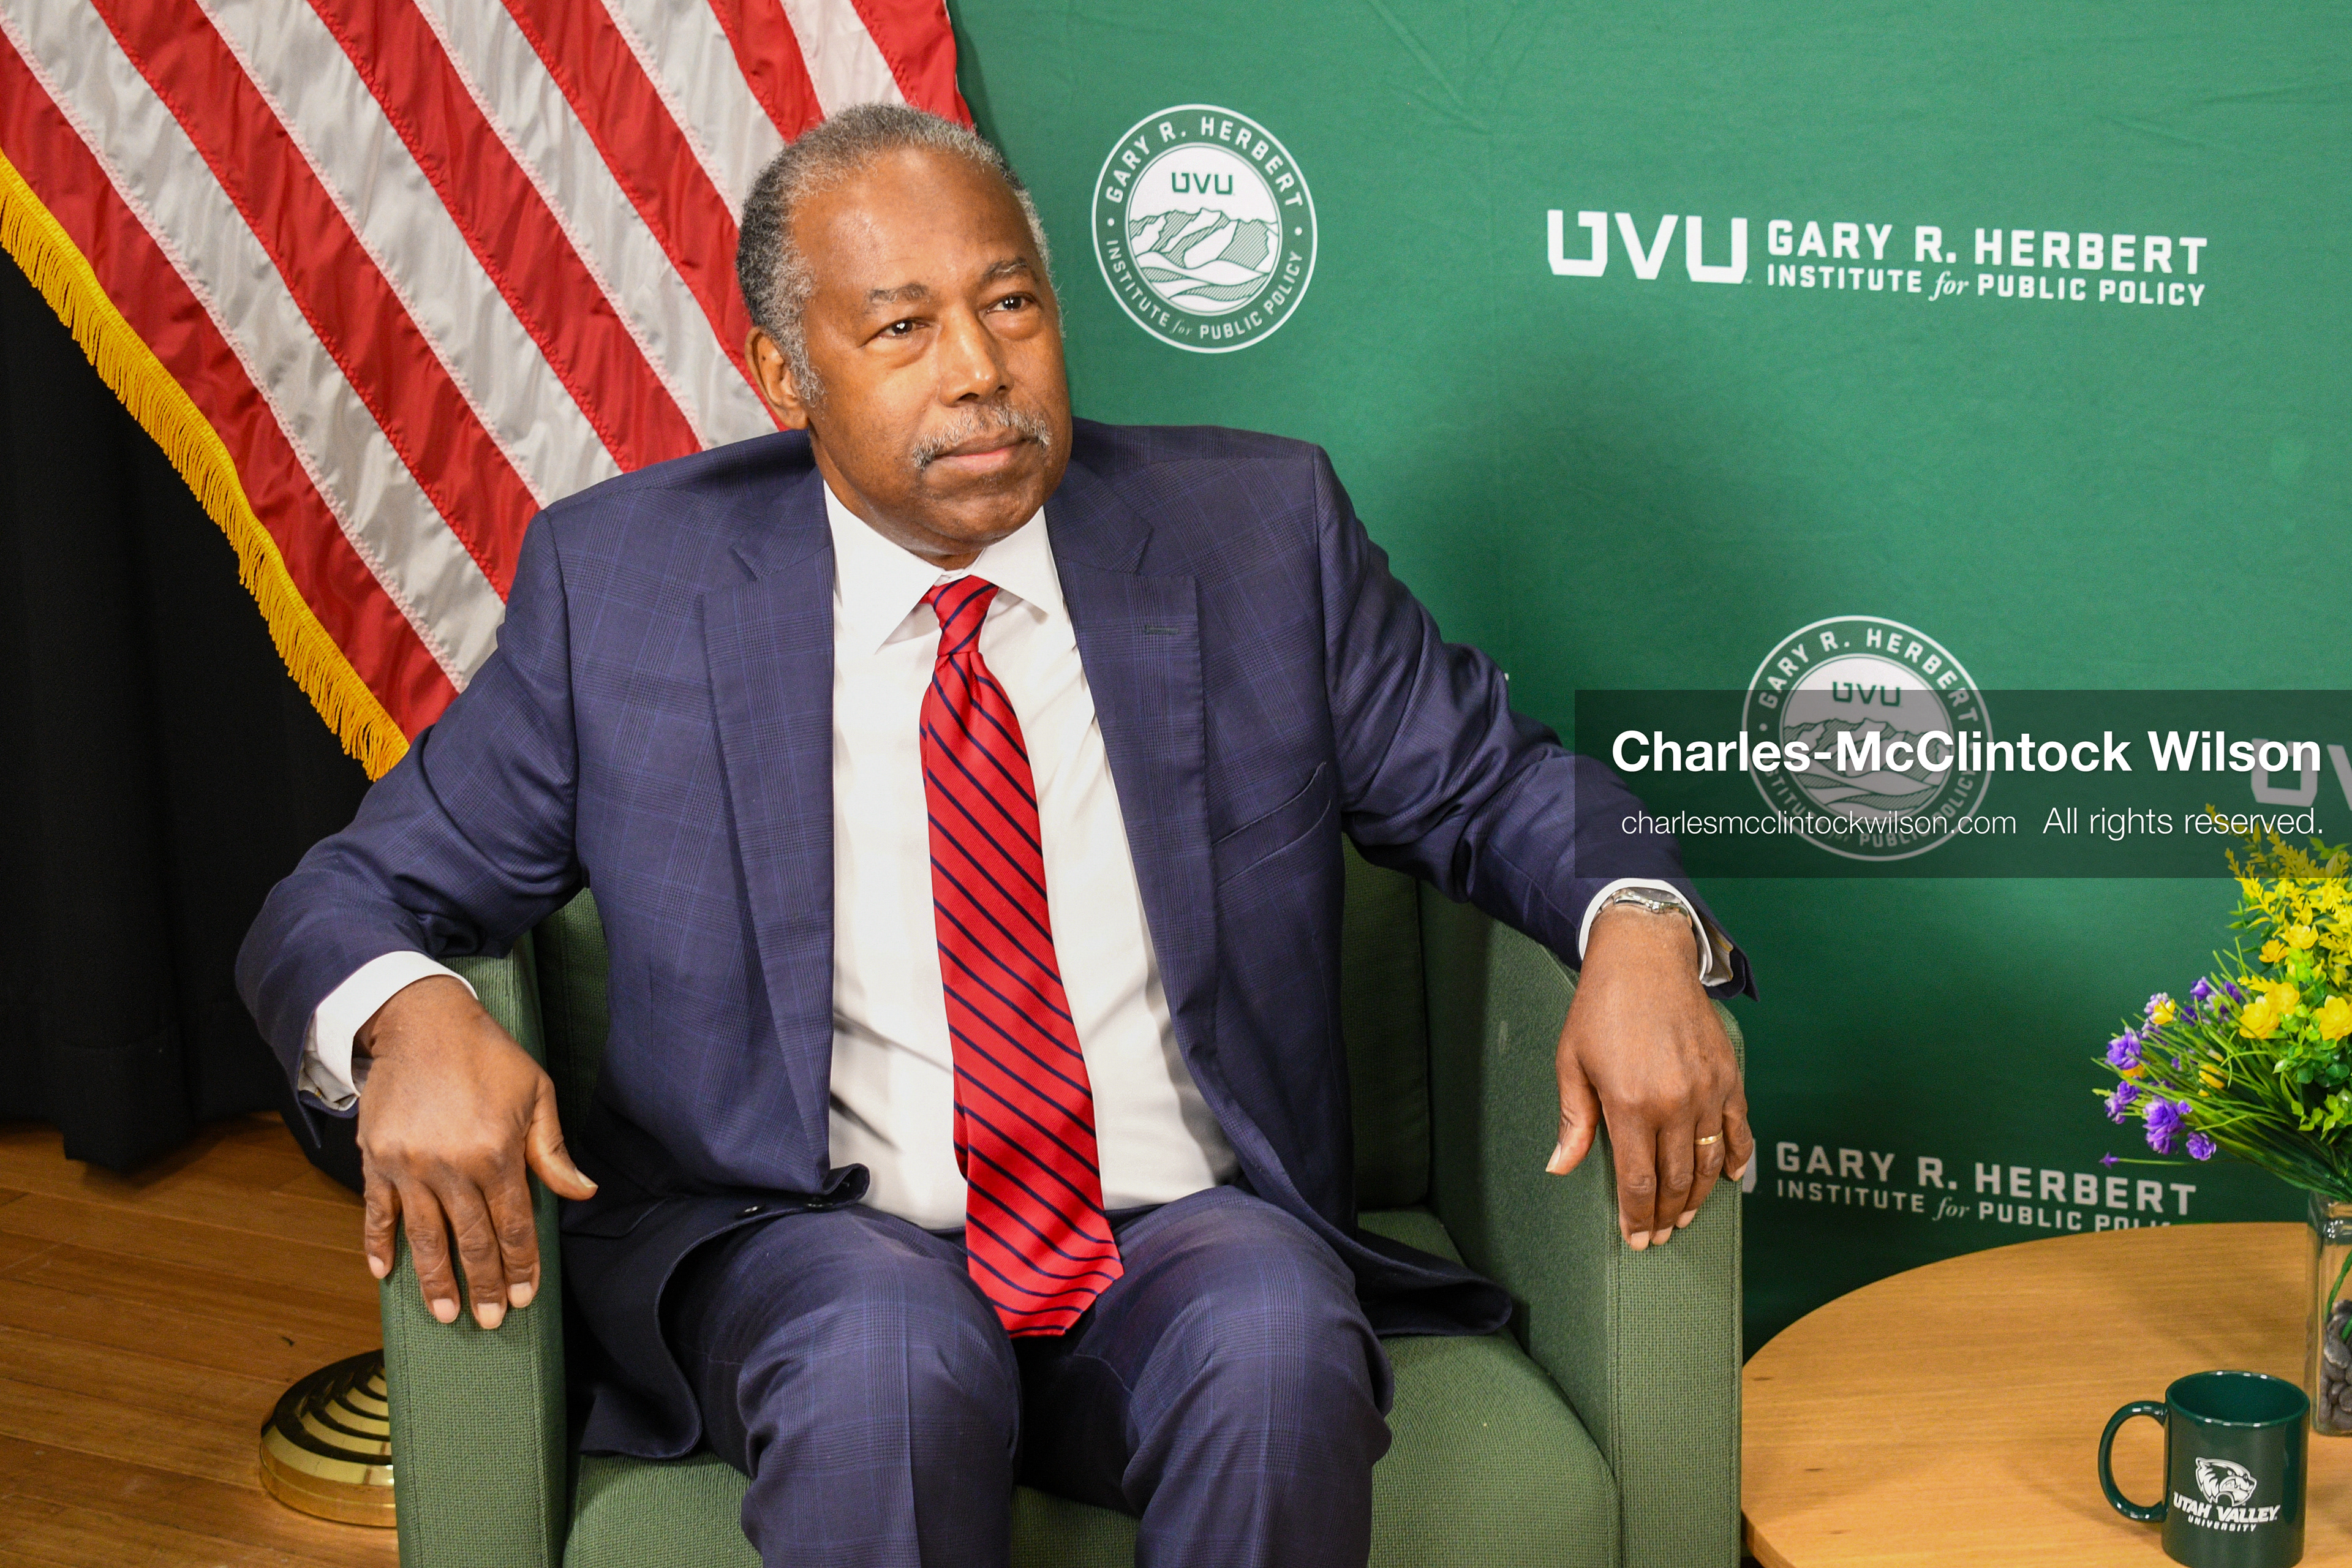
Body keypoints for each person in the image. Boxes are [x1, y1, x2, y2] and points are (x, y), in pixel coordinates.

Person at [238, 104, 1753, 1568]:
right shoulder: (631, 585)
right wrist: (411, 1011)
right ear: (786, 373)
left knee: (1277, 1335)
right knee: (883, 1363)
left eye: (1012, 303)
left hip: (1179, 1230)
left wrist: (1638, 922)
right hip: (813, 1245)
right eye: (901, 329)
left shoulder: (1255, 533)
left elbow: (1497, 785)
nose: (980, 371)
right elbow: (348, 893)